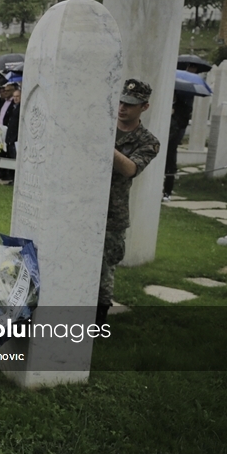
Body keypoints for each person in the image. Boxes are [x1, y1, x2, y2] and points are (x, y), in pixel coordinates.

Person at [97, 79, 161, 325]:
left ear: (144, 107)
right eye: (121, 102)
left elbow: (131, 169)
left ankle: (98, 323)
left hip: (113, 213)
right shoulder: (104, 125)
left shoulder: (147, 141)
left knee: (105, 271)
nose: (123, 108)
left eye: (131, 105)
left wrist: (106, 145)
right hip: (83, 205)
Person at [162, 91, 194, 201]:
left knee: (170, 165)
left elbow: (183, 121)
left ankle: (167, 191)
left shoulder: (183, 106)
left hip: (172, 139)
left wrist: (172, 115)